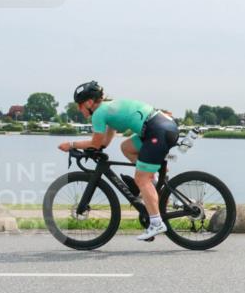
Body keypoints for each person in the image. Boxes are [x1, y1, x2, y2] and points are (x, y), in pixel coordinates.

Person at [59, 81, 180, 241]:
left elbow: (95, 143)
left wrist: (72, 145)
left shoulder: (99, 114)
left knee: (141, 179)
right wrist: (91, 148)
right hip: (161, 127)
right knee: (127, 147)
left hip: (157, 132)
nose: (79, 109)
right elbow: (103, 143)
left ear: (89, 103)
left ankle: (157, 223)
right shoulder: (108, 110)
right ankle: (155, 181)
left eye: (79, 105)